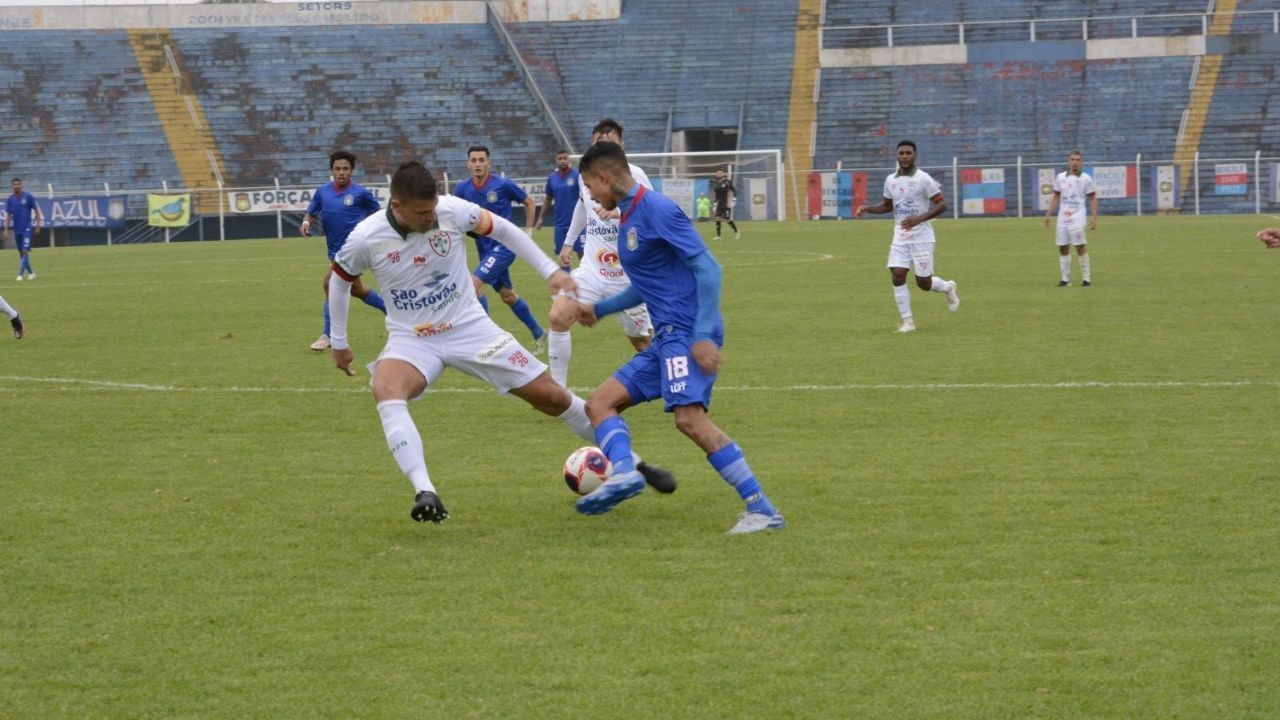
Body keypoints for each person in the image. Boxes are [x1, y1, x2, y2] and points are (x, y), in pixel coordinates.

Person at [328, 161, 674, 523]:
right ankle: (424, 490)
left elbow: (505, 230)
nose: (430, 218)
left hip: (471, 329)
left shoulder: (451, 210)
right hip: (412, 340)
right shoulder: (366, 236)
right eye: (421, 213)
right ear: (397, 207)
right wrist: (339, 341)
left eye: (432, 210)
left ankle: (635, 465)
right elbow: (338, 280)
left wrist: (550, 270)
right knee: (386, 388)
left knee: (553, 397)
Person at [569, 141, 783, 534]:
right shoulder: (628, 218)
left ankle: (762, 509)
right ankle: (624, 474)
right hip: (667, 335)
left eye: (589, 186)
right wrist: (598, 310)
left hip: (686, 332)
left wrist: (702, 335)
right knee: (599, 404)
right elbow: (646, 286)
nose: (591, 196)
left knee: (690, 419)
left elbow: (709, 268)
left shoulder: (657, 210)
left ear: (603, 177)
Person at [546, 118, 654, 390]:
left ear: (621, 146)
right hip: (593, 269)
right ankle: (558, 392)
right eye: (598, 143)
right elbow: (582, 207)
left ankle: (672, 382)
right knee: (559, 316)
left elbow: (652, 214)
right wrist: (569, 243)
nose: (603, 148)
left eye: (609, 142)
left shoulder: (637, 176)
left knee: (642, 342)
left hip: (629, 278)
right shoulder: (587, 178)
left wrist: (618, 212)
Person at [854, 140, 960, 333]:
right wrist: (867, 208)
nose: (904, 156)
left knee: (924, 283)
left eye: (908, 153)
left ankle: (948, 287)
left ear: (915, 155)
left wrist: (919, 219)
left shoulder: (923, 179)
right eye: (901, 153)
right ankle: (908, 322)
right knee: (897, 275)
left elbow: (942, 205)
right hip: (900, 236)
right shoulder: (890, 180)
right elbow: (888, 206)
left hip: (922, 237)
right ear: (896, 155)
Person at [451, 145, 546, 353]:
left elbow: (529, 202)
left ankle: (485, 340)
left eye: (481, 160)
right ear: (468, 164)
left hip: (505, 246)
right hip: (484, 249)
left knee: (474, 285)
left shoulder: (502, 185)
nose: (477, 164)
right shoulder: (462, 189)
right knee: (508, 296)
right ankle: (539, 332)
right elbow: (455, 216)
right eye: (474, 160)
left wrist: (527, 233)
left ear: (489, 163)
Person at [300, 151, 386, 351]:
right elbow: (311, 212)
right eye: (337, 169)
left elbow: (378, 216)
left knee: (330, 284)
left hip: (353, 250)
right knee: (358, 290)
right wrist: (305, 222)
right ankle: (390, 310)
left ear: (351, 171)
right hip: (334, 250)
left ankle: (327, 335)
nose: (341, 173)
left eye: (345, 169)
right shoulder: (323, 192)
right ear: (331, 170)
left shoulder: (360, 193)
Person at [1043, 150, 1098, 287]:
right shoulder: (1061, 177)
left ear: (1081, 162)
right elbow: (1056, 196)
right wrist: (1049, 214)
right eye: (1072, 159)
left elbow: (1092, 198)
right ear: (1068, 161)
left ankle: (1086, 279)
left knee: (1080, 247)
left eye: (1078, 159)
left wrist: (1094, 217)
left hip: (1078, 217)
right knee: (1062, 247)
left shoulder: (1086, 179)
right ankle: (1065, 279)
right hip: (1063, 218)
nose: (1075, 162)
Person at [534, 150, 582, 271]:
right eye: (559, 158)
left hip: (578, 224)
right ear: (556, 160)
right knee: (563, 257)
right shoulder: (552, 178)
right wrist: (540, 218)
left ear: (569, 159)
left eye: (564, 158)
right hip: (560, 225)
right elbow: (548, 199)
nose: (562, 161)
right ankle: (567, 286)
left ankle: (590, 282)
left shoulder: (577, 176)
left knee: (583, 255)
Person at [4, 178, 42, 282]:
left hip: (27, 228)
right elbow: (8, 216)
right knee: (21, 253)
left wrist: (38, 225)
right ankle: (31, 273)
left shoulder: (28, 197)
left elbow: (36, 211)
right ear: (12, 186)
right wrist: (6, 230)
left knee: (25, 250)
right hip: (17, 230)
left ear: (21, 185)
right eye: (14, 184)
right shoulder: (10, 199)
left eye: (18, 184)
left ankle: (20, 274)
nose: (16, 186)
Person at [711, 169, 740, 240]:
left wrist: (734, 199)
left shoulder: (727, 182)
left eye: (720, 173)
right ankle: (718, 236)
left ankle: (736, 231)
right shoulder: (716, 184)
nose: (718, 174)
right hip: (719, 204)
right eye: (717, 173)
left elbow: (733, 190)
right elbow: (717, 196)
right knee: (717, 218)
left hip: (726, 204)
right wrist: (715, 204)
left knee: (727, 219)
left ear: (723, 174)